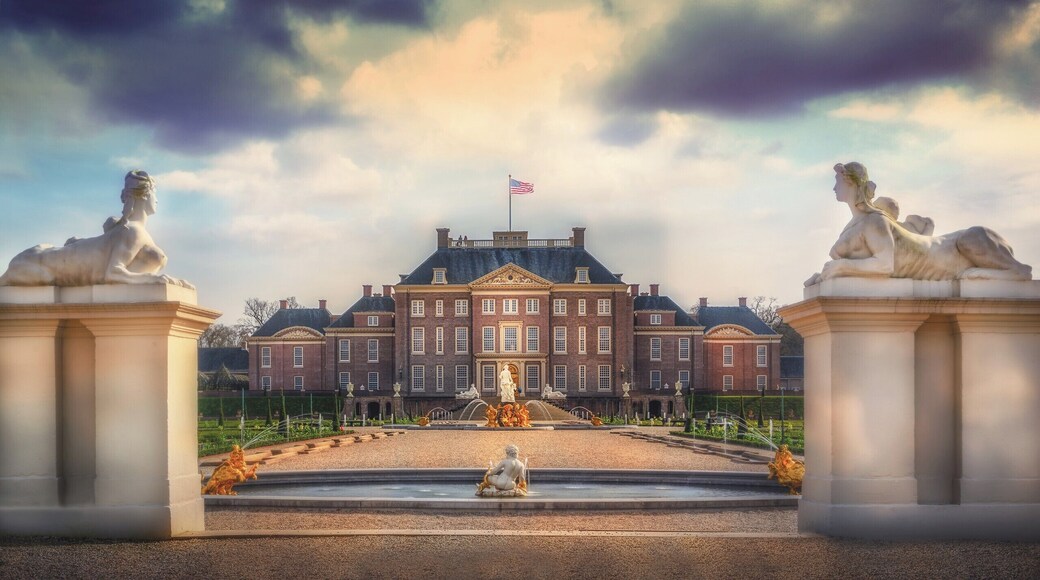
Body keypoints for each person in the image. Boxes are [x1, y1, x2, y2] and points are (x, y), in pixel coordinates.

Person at [804, 162, 1031, 286]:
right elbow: (854, 263)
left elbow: (884, 266)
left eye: (837, 182)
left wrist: (842, 267)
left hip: (947, 256)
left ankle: (1013, 272)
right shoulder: (857, 223)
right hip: (943, 259)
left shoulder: (875, 220)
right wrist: (824, 275)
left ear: (850, 183)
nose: (834, 188)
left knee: (972, 237)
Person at [0, 170, 194, 288]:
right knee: (45, 278)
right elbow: (113, 273)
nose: (157, 199)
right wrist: (154, 280)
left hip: (45, 259)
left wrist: (162, 280)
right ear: (143, 196)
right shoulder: (132, 231)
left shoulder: (134, 231)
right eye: (154, 194)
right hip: (36, 265)